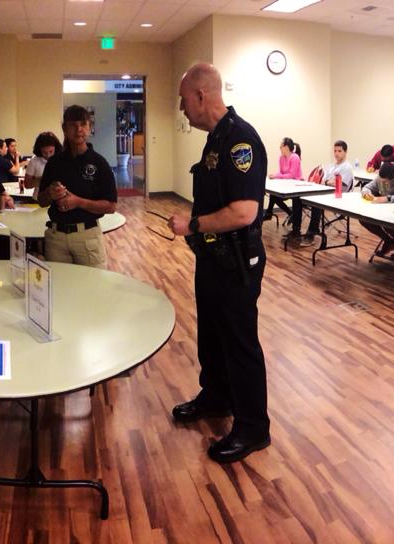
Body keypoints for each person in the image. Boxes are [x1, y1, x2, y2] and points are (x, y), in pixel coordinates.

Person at [168, 63, 270, 464]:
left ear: (201, 95)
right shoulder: (216, 139)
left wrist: (192, 225)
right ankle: (216, 397)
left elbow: (244, 212)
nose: (182, 109)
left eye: (183, 100)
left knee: (239, 341)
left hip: (237, 261)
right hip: (213, 257)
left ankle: (253, 427)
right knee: (211, 334)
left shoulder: (240, 140)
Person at [38, 105, 118, 269]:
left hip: (87, 236)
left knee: (93, 283)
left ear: (89, 127)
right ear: (64, 128)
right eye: (73, 125)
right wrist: (50, 193)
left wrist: (78, 202)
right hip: (56, 238)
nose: (78, 129)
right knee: (59, 284)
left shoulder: (99, 163)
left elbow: (111, 206)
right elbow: (41, 201)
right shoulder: (54, 163)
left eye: (83, 124)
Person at [294, 140, 354, 247]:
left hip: (339, 197)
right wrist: (327, 182)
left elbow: (338, 183)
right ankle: (296, 230)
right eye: (335, 151)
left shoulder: (347, 167)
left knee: (316, 203)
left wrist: (327, 182)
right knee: (297, 198)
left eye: (339, 151)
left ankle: (311, 233)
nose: (336, 153)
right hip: (326, 193)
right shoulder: (332, 166)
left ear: (345, 152)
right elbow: (323, 180)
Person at [265, 137, 302, 223]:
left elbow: (291, 175)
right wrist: (275, 175)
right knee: (273, 195)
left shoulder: (295, 157)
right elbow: (281, 172)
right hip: (286, 185)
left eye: (281, 146)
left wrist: (277, 176)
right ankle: (289, 213)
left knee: (274, 196)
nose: (280, 148)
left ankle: (269, 213)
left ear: (286, 147)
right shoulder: (281, 158)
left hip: (296, 186)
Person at [23, 131, 62, 198]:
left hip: (59, 199)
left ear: (56, 148)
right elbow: (27, 184)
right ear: (39, 150)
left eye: (51, 151)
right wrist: (43, 179)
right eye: (44, 152)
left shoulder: (61, 159)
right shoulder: (34, 161)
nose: (48, 155)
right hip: (38, 199)